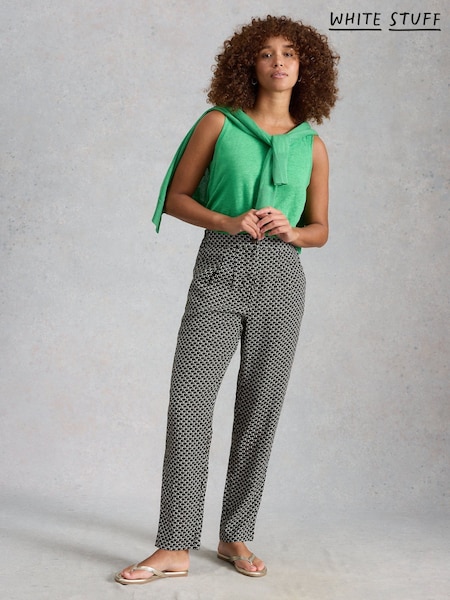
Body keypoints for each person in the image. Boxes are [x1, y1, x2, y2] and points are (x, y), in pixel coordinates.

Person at [115, 14, 339, 585]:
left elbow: (321, 229)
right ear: (249, 65)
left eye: (290, 53)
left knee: (259, 411)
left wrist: (293, 231)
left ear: (305, 67)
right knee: (190, 402)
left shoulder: (313, 146)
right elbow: (176, 197)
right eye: (266, 53)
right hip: (220, 267)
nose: (278, 62)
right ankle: (174, 545)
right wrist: (228, 220)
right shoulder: (219, 123)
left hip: (282, 278)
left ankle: (235, 533)